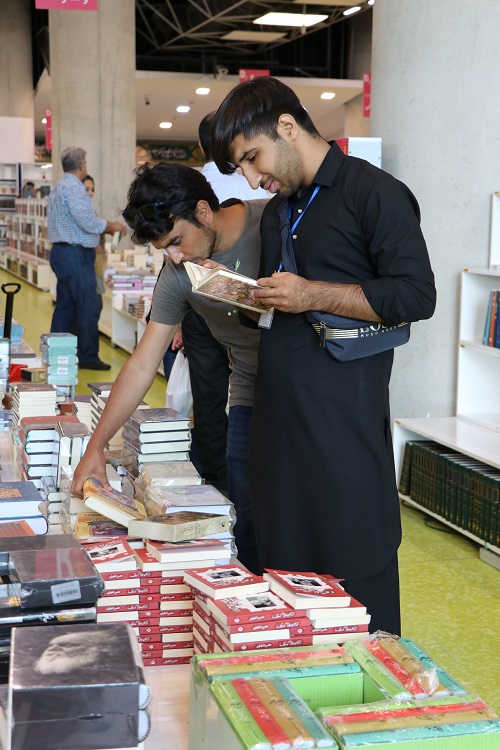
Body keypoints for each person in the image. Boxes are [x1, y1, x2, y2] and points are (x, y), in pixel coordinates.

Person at [211, 77, 437, 634]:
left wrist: (312, 294)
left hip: (343, 427)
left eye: (252, 158)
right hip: (278, 425)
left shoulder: (374, 193)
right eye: (241, 169)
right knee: (286, 578)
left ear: (287, 127)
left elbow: (416, 295)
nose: (251, 178)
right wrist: (247, 297)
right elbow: (285, 304)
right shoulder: (278, 211)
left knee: (355, 570)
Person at [73, 163, 267, 573]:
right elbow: (143, 363)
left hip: (304, 386)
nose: (174, 257)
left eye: (177, 241)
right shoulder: (179, 273)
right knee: (248, 517)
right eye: (165, 249)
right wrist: (95, 447)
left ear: (203, 211)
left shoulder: (273, 223)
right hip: (249, 391)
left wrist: (241, 292)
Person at [178, 113, 271, 492]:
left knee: (209, 396)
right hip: (254, 308)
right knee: (250, 393)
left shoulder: (198, 183)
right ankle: (244, 479)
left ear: (202, 145)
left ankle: (215, 481)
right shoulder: (260, 179)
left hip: (209, 305)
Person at [47, 147, 126, 370]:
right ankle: (88, 356)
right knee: (89, 305)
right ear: (82, 165)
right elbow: (87, 221)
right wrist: (111, 226)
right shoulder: (74, 187)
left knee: (65, 305)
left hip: (62, 253)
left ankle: (58, 353)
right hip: (76, 255)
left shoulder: (59, 187)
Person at [83, 174, 107, 309]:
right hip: (86, 264)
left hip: (95, 262)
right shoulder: (81, 211)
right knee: (94, 304)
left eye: (92, 189)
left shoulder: (90, 209)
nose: (91, 193)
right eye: (86, 189)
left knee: (97, 303)